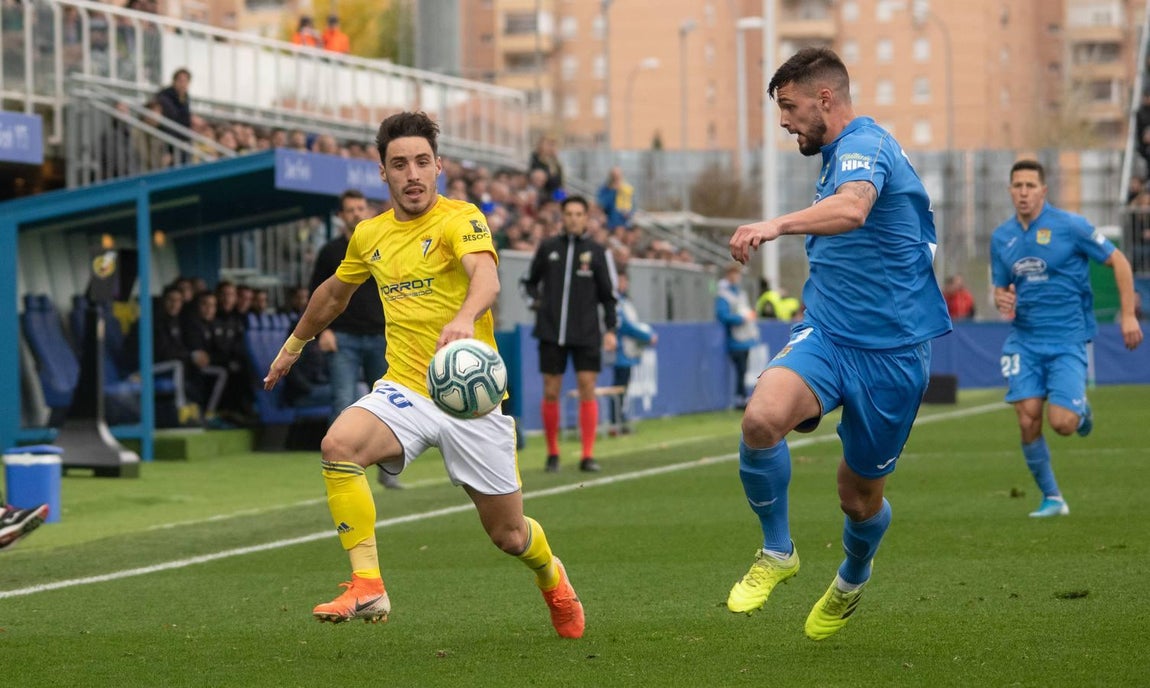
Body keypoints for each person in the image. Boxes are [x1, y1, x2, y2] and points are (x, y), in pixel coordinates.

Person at [262, 111, 585, 637]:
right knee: (338, 444)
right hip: (406, 389)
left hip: (472, 401)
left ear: (438, 167)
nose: (411, 174)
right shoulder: (369, 235)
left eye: (420, 162)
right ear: (383, 174)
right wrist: (294, 345)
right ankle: (367, 584)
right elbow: (334, 294)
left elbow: (486, 274)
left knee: (509, 536)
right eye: (398, 164)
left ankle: (553, 578)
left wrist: (463, 318)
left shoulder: (462, 218)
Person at [725, 48, 952, 640]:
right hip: (827, 333)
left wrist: (775, 224)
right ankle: (778, 552)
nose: (784, 121)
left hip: (893, 354)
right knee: (761, 419)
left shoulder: (864, 146)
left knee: (857, 499)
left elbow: (853, 209)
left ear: (825, 98)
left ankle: (853, 575)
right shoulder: (834, 156)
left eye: (789, 106)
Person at [991, 159, 1144, 518]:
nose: (1024, 192)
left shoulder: (1071, 226)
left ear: (1044, 191)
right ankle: (1053, 498)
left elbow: (1119, 261)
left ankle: (1080, 410)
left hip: (1066, 339)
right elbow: (1001, 288)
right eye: (1018, 186)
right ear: (1010, 191)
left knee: (1062, 425)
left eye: (1031, 186)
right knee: (1028, 417)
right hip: (1025, 339)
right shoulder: (1002, 237)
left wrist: (1127, 314)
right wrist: (1001, 297)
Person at [309, 190, 399, 490]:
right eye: (350, 209)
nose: (357, 213)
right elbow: (319, 294)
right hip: (343, 337)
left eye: (361, 208)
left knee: (391, 406)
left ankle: (388, 473)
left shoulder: (385, 245)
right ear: (341, 215)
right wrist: (324, 331)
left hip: (380, 336)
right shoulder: (330, 252)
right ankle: (340, 475)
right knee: (342, 403)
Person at [521, 195, 618, 473]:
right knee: (550, 390)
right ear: (561, 217)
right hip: (551, 331)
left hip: (587, 332)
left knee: (587, 386)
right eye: (569, 214)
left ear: (586, 218)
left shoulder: (598, 252)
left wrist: (610, 329)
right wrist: (536, 302)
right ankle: (553, 453)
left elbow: (609, 297)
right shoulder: (548, 248)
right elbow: (528, 284)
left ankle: (587, 455)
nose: (574, 218)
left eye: (579, 214)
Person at [609, 270, 656, 435]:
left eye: (625, 281)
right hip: (620, 351)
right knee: (618, 388)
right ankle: (615, 423)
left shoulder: (625, 302)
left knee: (623, 388)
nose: (623, 285)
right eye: (620, 281)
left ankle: (620, 421)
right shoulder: (615, 302)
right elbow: (626, 326)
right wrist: (647, 335)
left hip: (627, 352)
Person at [714, 262, 759, 409]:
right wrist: (741, 318)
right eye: (734, 274)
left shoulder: (740, 292)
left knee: (743, 370)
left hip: (745, 337)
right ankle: (739, 399)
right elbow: (722, 316)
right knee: (740, 369)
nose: (737, 277)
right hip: (735, 338)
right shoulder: (724, 295)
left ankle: (742, 396)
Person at [597, 166, 635, 232]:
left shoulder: (627, 188)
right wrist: (613, 191)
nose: (616, 178)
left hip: (624, 223)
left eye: (618, 176)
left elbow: (633, 204)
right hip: (609, 224)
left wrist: (630, 213)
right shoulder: (604, 189)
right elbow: (602, 204)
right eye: (614, 176)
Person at [529, 135, 564, 200]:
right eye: (549, 144)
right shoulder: (536, 157)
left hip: (555, 189)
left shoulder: (555, 161)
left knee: (562, 196)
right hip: (543, 189)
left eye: (553, 145)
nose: (551, 147)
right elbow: (537, 173)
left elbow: (559, 178)